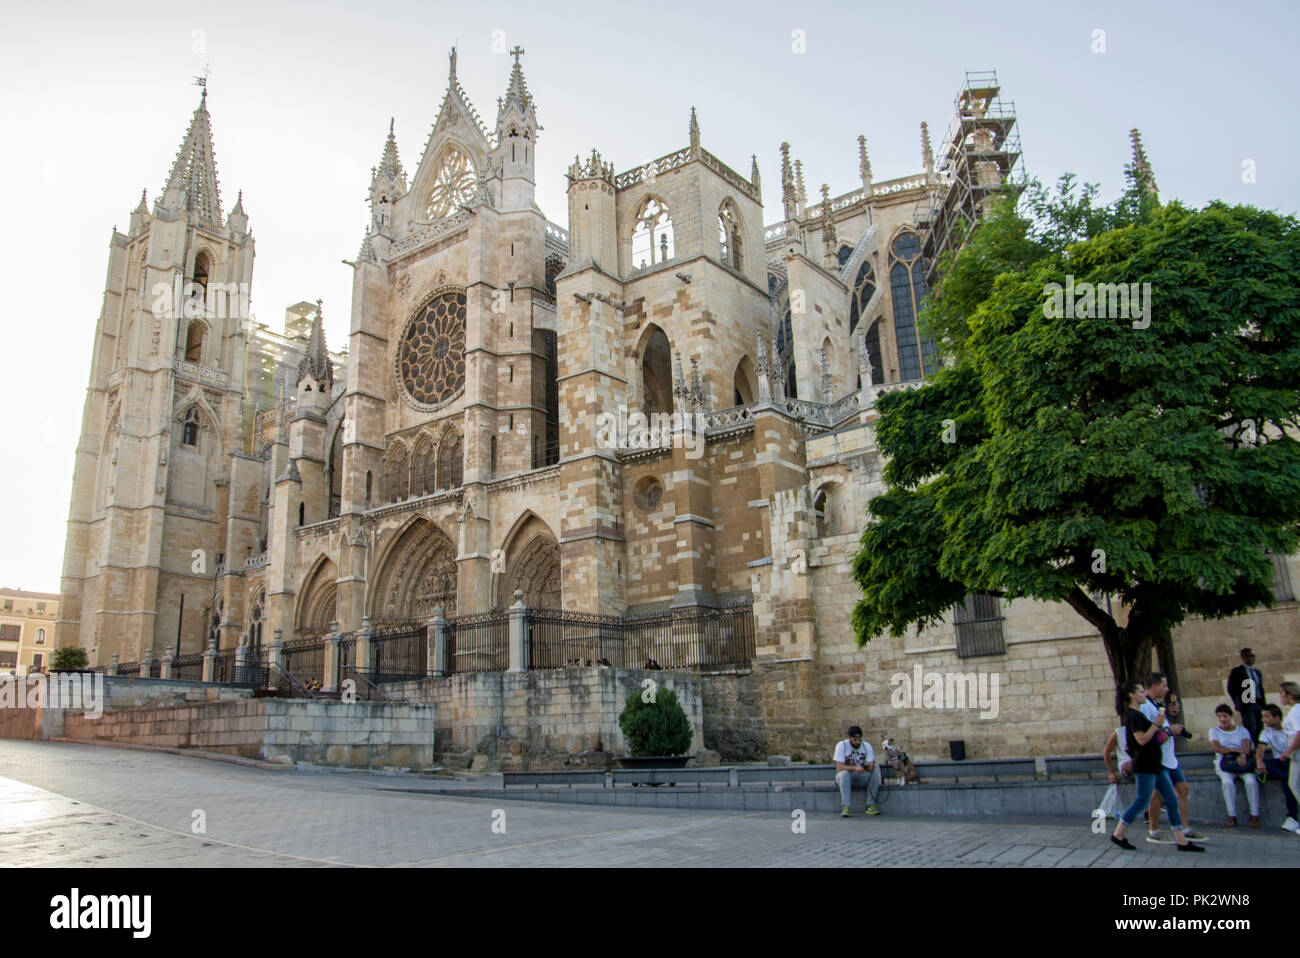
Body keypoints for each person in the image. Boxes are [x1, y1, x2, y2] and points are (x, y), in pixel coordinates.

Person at [1111, 681, 1204, 852]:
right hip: (1145, 766)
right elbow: (1141, 739)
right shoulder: (1133, 716)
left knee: (1171, 800)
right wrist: (1156, 725)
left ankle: (1181, 841)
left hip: (1155, 764)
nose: (1143, 694)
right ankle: (1118, 834)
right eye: (1140, 691)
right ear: (1132, 695)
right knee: (1142, 801)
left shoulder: (1139, 714)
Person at [1142, 672, 1206, 843]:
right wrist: (1170, 731)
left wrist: (1170, 717)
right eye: (1164, 685)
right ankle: (1154, 831)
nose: (1167, 689)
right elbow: (1149, 737)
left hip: (1170, 758)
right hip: (1158, 759)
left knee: (1183, 789)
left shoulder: (1156, 705)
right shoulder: (1145, 708)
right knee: (1157, 795)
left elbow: (1161, 726)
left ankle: (1185, 829)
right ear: (1154, 686)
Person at [1208, 704, 1260, 827]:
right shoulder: (1214, 731)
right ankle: (1232, 815)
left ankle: (1254, 815)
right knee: (1227, 783)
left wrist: (1240, 755)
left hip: (1242, 762)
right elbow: (1217, 748)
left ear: (1231, 717)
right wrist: (1236, 751)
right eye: (1219, 716)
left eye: (1225, 716)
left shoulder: (1242, 730)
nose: (1222, 719)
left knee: (1251, 782)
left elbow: (1246, 749)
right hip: (1224, 763)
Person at [1256, 703, 1299, 833]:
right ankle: (1286, 778)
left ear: (1277, 717)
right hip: (1279, 762)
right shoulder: (1266, 732)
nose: (1263, 720)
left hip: (1292, 760)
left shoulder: (1288, 728)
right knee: (1259, 765)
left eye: (1267, 716)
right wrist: (1259, 761)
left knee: (1288, 783)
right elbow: (1261, 748)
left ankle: (1292, 817)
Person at [834, 725, 881, 817]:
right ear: (849, 738)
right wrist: (855, 768)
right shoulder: (841, 745)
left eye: (859, 740)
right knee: (844, 774)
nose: (857, 742)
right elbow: (839, 767)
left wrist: (868, 767)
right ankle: (846, 807)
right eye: (855, 740)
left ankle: (871, 805)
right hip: (845, 777)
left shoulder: (867, 746)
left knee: (875, 773)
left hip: (861, 775)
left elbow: (871, 766)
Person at [1227, 648, 1265, 742]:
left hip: (1258, 702)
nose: (1253, 658)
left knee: (1260, 726)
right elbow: (1231, 688)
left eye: (1253, 656)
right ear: (1244, 657)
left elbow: (1260, 687)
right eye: (1251, 656)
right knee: (1251, 726)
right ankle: (1250, 747)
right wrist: (1239, 702)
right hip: (1247, 703)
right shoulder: (1237, 671)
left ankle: (1258, 745)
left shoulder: (1257, 672)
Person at [1279, 682, 1300, 832]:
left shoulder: (1296, 711)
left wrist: (1288, 751)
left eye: (1282, 693)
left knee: (1295, 785)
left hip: (1297, 752)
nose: (1280, 697)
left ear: (1290, 695)